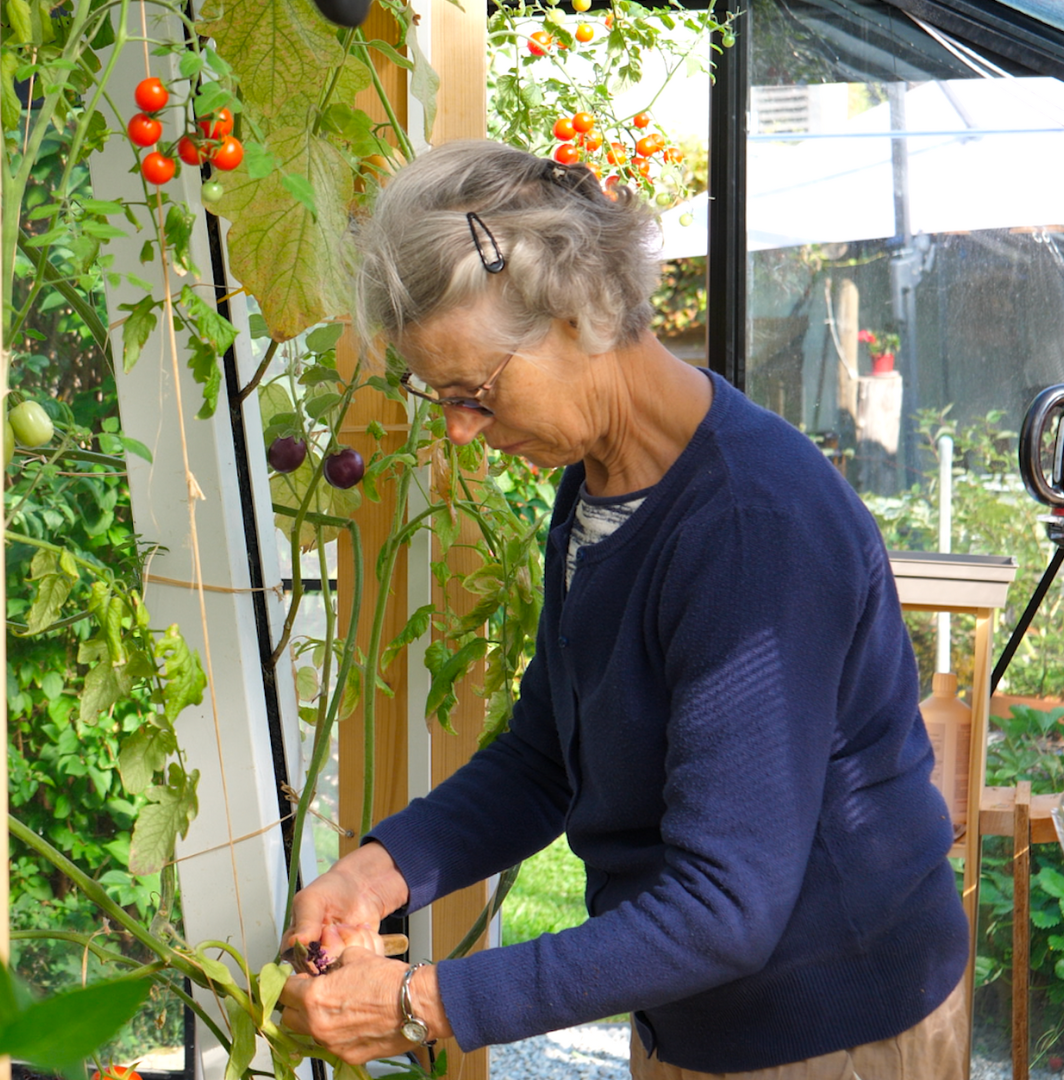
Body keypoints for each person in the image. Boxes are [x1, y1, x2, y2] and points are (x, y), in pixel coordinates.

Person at [276, 140, 970, 1078]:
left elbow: (723, 908)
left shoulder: (749, 528)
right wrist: (378, 871)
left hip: (830, 1034)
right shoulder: (605, 480)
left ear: (580, 315)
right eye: (439, 397)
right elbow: (548, 755)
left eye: (474, 393)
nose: (460, 431)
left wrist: (422, 1003)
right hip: (694, 1014)